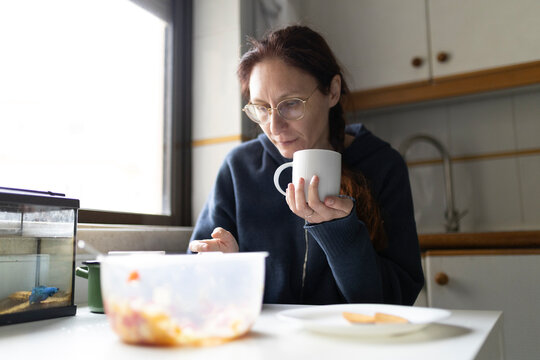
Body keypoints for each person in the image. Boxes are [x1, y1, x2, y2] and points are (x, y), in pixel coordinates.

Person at [188, 25, 424, 305]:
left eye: (290, 104)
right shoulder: (240, 167)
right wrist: (226, 270)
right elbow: (195, 278)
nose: (273, 127)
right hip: (266, 343)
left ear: (332, 92)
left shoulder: (383, 165)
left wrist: (342, 234)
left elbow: (397, 300)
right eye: (262, 108)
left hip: (352, 343)